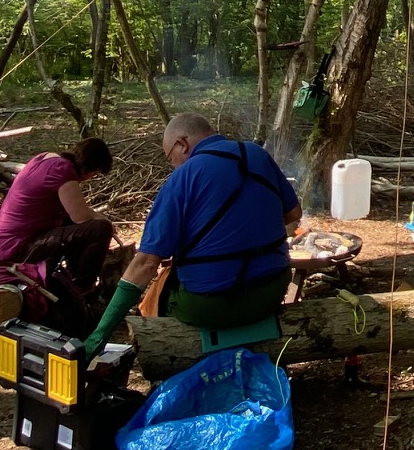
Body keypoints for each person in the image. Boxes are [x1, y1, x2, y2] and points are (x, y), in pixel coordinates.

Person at [81, 113, 302, 356]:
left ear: (182, 144)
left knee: (160, 289)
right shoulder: (256, 153)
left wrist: (100, 333)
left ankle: (173, 358)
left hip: (211, 305)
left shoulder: (182, 179)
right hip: (272, 291)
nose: (173, 165)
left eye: (170, 158)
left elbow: (145, 264)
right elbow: (293, 213)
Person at [0, 137, 115, 355]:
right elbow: (81, 216)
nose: (89, 179)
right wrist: (105, 220)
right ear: (89, 166)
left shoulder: (45, 159)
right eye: (94, 173)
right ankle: (84, 292)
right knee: (100, 229)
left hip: (5, 244)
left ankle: (73, 288)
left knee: (80, 228)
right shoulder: (63, 170)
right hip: (17, 249)